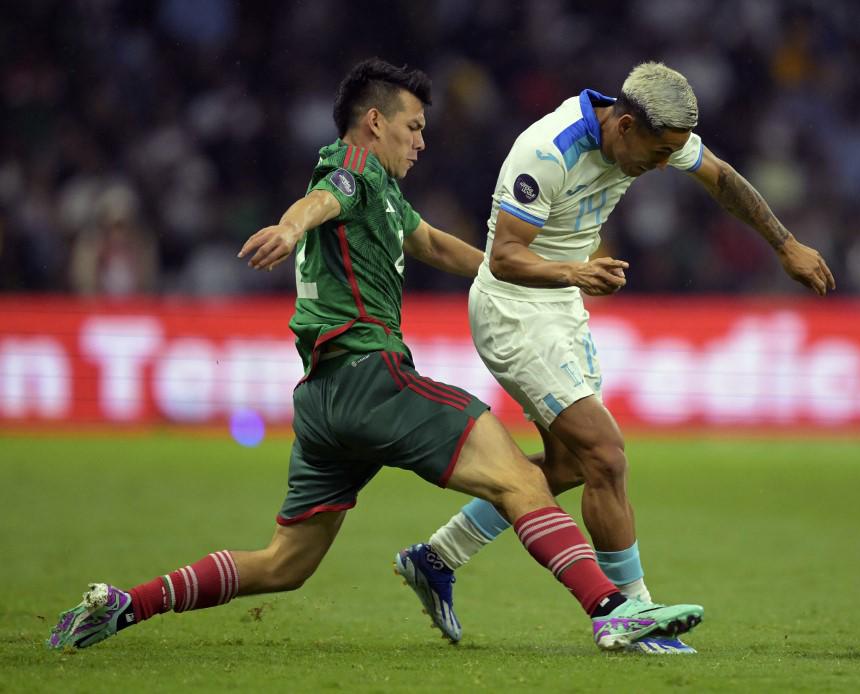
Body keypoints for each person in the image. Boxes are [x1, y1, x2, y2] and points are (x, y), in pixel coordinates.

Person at [45, 58, 704, 655]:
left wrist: (543, 273)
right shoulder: (355, 169)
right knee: (522, 480)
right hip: (371, 374)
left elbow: (439, 247)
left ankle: (127, 606)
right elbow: (326, 195)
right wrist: (291, 224)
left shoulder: (385, 195)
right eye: (413, 128)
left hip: (323, 400)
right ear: (374, 122)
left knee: (284, 564)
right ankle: (612, 610)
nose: (421, 141)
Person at [397, 62, 836, 654]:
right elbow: (502, 258)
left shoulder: (653, 137)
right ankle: (634, 614)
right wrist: (574, 270)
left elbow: (721, 177)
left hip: (561, 306)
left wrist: (785, 244)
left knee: (575, 466)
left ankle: (437, 557)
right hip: (514, 310)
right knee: (605, 455)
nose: (662, 166)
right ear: (624, 125)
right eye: (656, 154)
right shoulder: (546, 150)